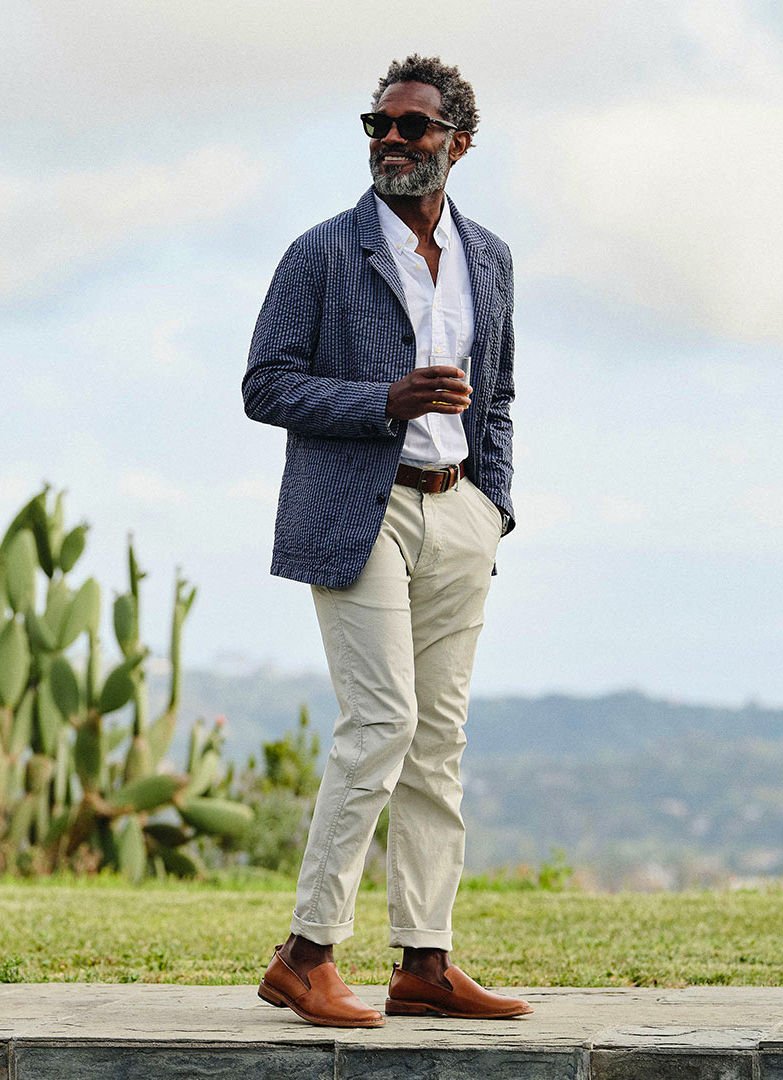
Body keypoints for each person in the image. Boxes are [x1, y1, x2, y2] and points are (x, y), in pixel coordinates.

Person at [242, 54, 530, 1027]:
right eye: (378, 125)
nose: (391, 142)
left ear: (458, 140)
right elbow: (265, 385)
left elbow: (497, 397)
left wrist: (489, 505)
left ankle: (425, 962)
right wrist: (383, 402)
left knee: (437, 739)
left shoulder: (487, 256)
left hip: (455, 512)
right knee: (382, 722)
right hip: (354, 508)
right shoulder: (319, 254)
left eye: (411, 127)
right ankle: (306, 953)